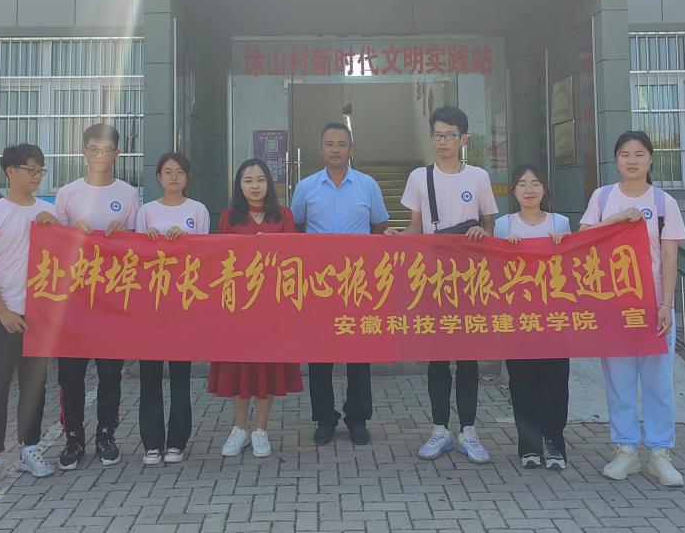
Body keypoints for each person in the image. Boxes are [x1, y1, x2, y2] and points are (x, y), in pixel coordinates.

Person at [580, 130, 685, 487]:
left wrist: (666, 304)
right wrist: (615, 220)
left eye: (639, 154)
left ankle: (660, 453)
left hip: (653, 306)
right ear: (616, 160)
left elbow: (669, 256)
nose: (632, 160)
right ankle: (625, 450)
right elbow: (583, 240)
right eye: (625, 154)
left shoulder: (663, 203)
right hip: (613, 308)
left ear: (650, 159)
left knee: (658, 383)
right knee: (619, 381)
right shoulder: (603, 197)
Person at [390, 106, 497, 464]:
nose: (443, 141)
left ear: (463, 138)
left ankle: (468, 431)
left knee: (468, 358)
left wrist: (482, 231)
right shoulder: (420, 177)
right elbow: (416, 226)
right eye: (437, 135)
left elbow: (490, 225)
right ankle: (439, 429)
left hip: (469, 278)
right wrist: (399, 237)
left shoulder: (479, 177)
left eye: (450, 135)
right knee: (437, 359)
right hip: (433, 278)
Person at [36, 123, 140, 471]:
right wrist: (60, 227)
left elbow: (138, 245)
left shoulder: (128, 193)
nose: (99, 156)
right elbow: (54, 242)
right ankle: (73, 437)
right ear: (84, 152)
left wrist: (125, 233)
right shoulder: (68, 193)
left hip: (112, 299)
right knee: (71, 376)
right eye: (93, 149)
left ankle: (106, 435)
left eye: (106, 150)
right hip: (74, 300)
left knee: (110, 374)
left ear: (117, 154)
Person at [290, 122, 388, 447]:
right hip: (318, 283)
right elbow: (296, 226)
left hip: (357, 283)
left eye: (342, 144)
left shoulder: (368, 185)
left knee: (358, 353)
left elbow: (379, 225)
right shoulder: (305, 187)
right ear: (320, 149)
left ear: (350, 149)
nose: (335, 149)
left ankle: (357, 419)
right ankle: (324, 419)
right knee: (320, 353)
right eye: (329, 144)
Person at [0, 143, 56, 493]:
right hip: (0, 314)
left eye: (40, 171)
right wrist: (3, 311)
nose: (36, 177)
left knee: (35, 387)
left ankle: (29, 449)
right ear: (10, 171)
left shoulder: (48, 212)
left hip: (38, 316)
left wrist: (55, 227)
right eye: (31, 170)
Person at [211, 159, 303, 459]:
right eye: (248, 180)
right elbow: (217, 258)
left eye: (260, 180)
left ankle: (260, 429)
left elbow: (295, 258)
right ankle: (239, 428)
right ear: (239, 185)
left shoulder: (284, 215)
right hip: (237, 308)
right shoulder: (229, 216)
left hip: (273, 308)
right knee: (239, 367)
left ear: (269, 184)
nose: (254, 186)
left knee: (267, 368)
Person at [134, 152, 209, 466]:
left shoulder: (198, 210)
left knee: (180, 376)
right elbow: (134, 258)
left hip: (182, 304)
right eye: (168, 172)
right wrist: (147, 240)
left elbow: (206, 256)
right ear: (158, 178)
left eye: (179, 172)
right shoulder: (146, 211)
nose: (174, 177)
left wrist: (187, 240)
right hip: (150, 306)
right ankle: (152, 443)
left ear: (187, 177)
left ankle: (177, 441)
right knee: (149, 377)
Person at [495, 164, 572, 470]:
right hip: (517, 319)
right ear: (514, 191)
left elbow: (573, 268)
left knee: (555, 382)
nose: (529, 189)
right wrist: (506, 250)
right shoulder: (503, 225)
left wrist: (562, 247)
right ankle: (529, 445)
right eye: (522, 184)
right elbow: (495, 271)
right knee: (522, 383)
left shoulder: (560, 222)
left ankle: (554, 443)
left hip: (554, 317)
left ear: (544, 189)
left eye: (535, 183)